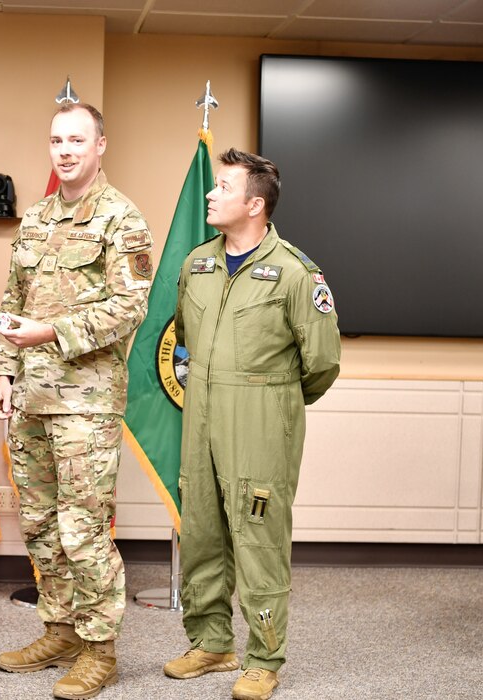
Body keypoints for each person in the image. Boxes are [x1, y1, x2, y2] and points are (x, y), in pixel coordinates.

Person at [163, 148, 341, 700]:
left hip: (262, 420)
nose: (211, 195)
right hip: (202, 414)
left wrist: (272, 405)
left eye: (223, 187)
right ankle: (212, 643)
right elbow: (187, 342)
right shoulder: (196, 264)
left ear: (255, 203)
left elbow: (322, 363)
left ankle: (264, 656)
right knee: (202, 532)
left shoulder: (295, 272)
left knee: (257, 536)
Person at [0, 102, 153, 699]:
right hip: (29, 397)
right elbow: (13, 301)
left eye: (77, 140)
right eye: (56, 140)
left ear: (101, 145)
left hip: (86, 402)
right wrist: (3, 375)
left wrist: (53, 333)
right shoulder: (33, 219)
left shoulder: (121, 219)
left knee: (83, 528)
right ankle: (58, 629)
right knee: (38, 525)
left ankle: (100, 649)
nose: (65, 150)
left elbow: (128, 306)